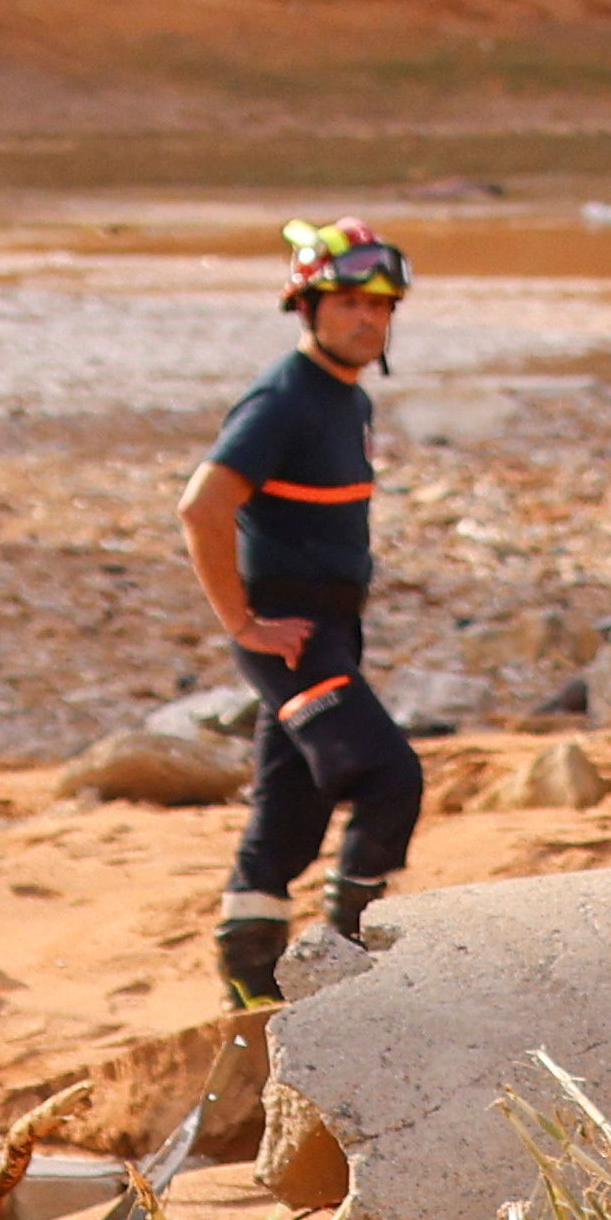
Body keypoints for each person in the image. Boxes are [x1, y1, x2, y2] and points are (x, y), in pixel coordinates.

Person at [178, 221, 443, 1008]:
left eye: (383, 304)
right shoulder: (284, 399)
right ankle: (356, 969)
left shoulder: (346, 396)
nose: (370, 319)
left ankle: (253, 991)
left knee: (289, 809)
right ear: (309, 305)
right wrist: (243, 625)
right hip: (289, 636)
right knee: (387, 774)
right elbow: (203, 507)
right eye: (353, 302)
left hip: (330, 629)